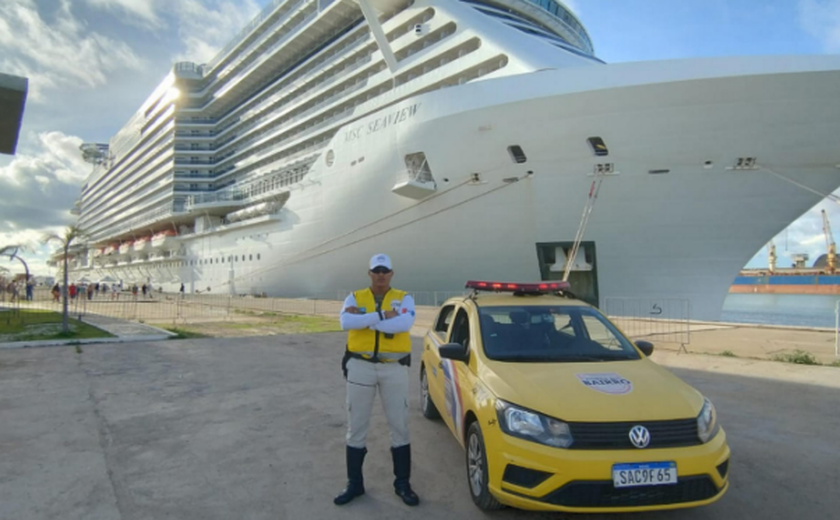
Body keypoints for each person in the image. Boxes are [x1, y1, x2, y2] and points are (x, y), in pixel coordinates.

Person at [334, 253, 419, 507]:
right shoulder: (355, 296)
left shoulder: (404, 298)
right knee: (356, 426)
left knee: (400, 425)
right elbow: (345, 322)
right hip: (360, 367)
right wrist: (382, 317)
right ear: (369, 273)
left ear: (392, 274)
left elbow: (404, 324)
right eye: (376, 270)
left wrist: (365, 321)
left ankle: (402, 484)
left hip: (393, 369)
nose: (381, 274)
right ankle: (354, 484)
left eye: (385, 270)